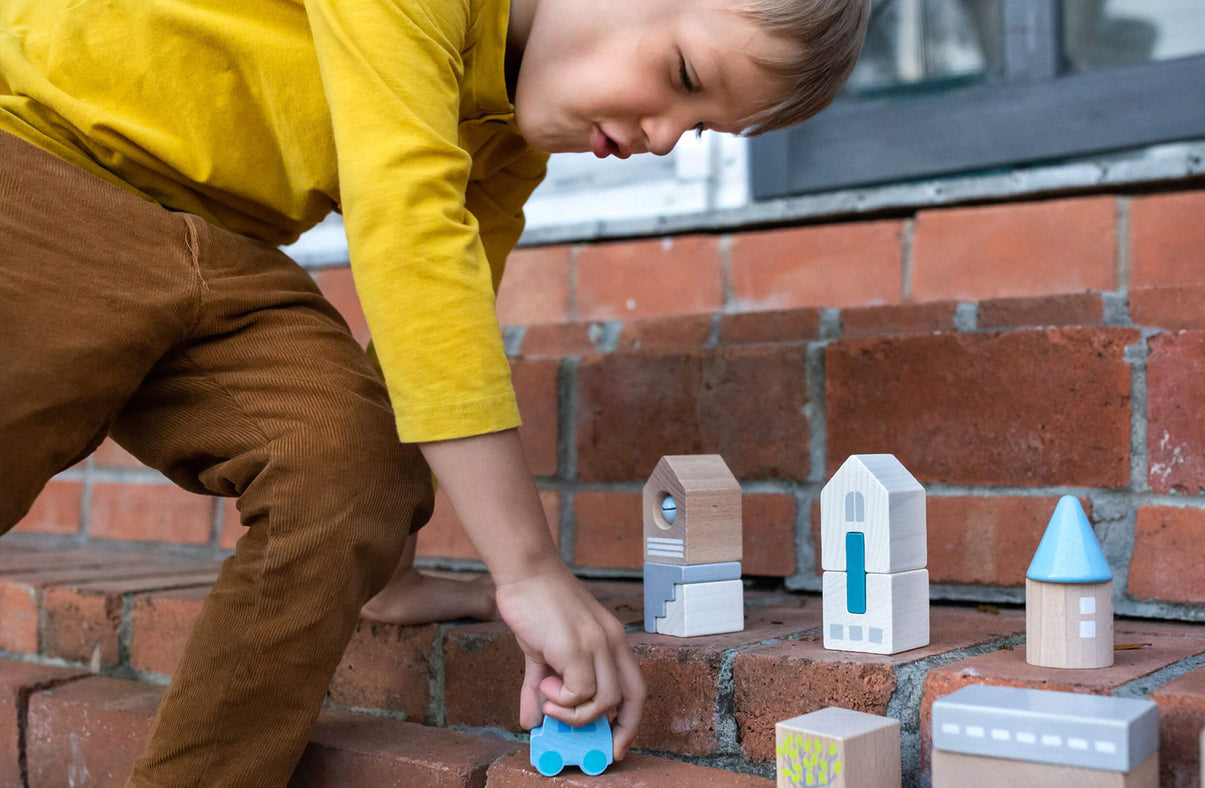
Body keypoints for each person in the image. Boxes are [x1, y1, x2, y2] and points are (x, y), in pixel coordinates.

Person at [0, 0, 869, 783]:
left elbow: (429, 344)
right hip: (39, 157)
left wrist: (384, 550)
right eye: (683, 77)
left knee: (350, 468)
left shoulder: (512, 137)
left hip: (218, 250)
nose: (666, 136)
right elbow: (407, 233)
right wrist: (526, 570)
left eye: (701, 128)